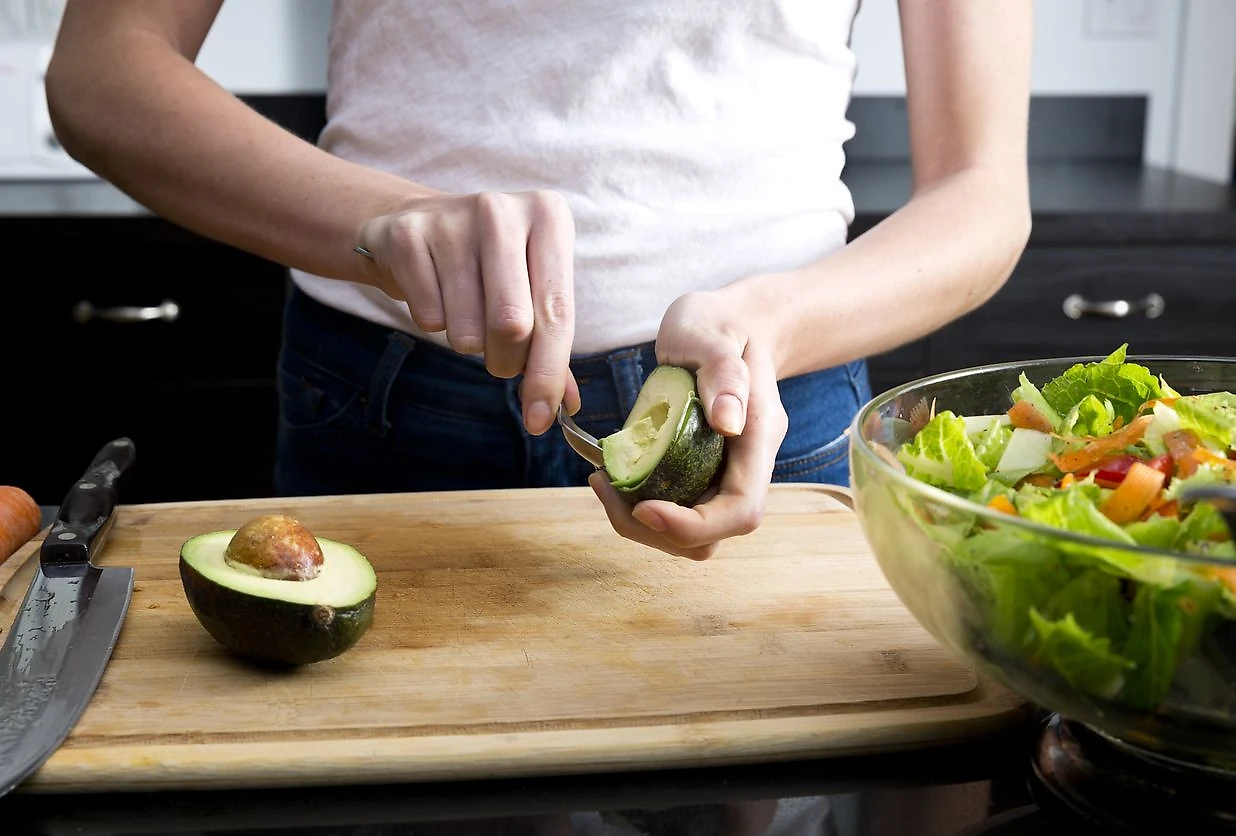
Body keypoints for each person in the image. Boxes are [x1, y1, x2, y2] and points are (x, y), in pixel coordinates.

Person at [44, 1, 1033, 562]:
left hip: (769, 414)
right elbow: (102, 69)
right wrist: (374, 223)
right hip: (386, 400)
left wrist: (767, 324)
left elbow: (985, 193)